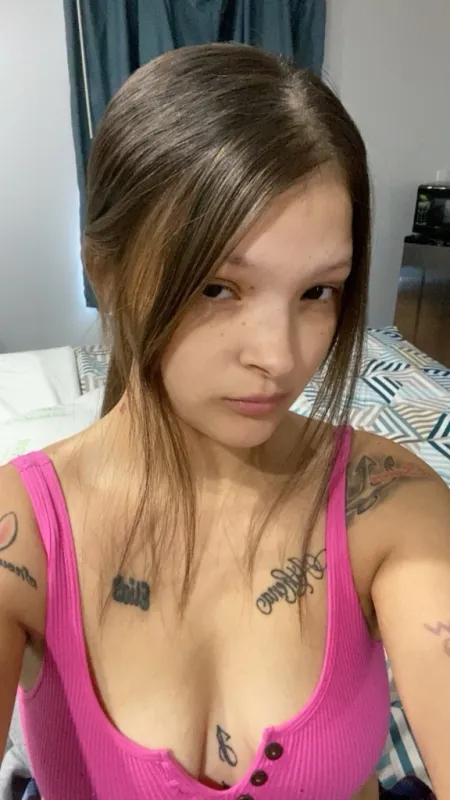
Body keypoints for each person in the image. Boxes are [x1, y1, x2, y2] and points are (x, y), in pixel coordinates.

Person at [0, 43, 448, 800]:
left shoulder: (388, 501)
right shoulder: (24, 536)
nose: (280, 357)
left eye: (317, 292)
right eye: (217, 287)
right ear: (104, 271)